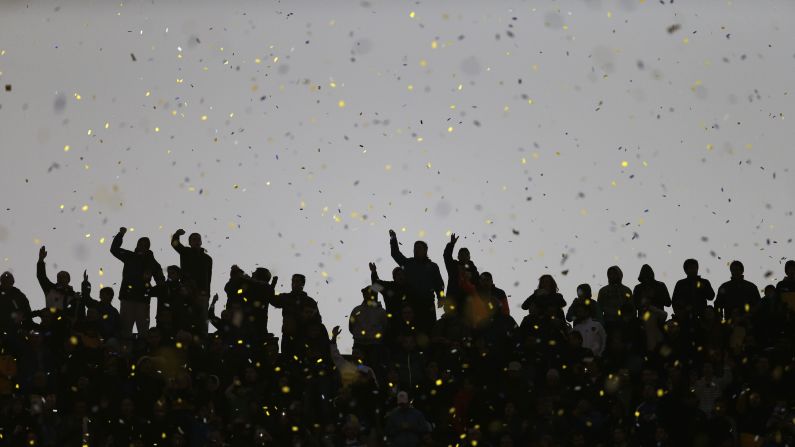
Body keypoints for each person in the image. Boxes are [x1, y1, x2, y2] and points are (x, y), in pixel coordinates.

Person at [110, 227, 165, 337]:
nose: (142, 246)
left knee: (143, 331)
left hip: (143, 299)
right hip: (128, 297)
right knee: (125, 330)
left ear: (148, 247)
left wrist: (151, 290)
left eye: (145, 245)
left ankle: (144, 351)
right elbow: (114, 249)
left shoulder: (152, 263)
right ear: (137, 245)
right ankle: (125, 352)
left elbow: (161, 282)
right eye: (141, 243)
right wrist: (120, 234)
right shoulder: (130, 256)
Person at [389, 229, 444, 334]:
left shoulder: (432, 266)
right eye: (414, 248)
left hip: (428, 303)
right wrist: (393, 238)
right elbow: (395, 254)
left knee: (430, 331)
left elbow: (439, 284)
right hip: (412, 304)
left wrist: (440, 297)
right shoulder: (408, 263)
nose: (416, 250)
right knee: (412, 332)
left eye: (419, 248)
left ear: (425, 250)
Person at [171, 229, 213, 335]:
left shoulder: (208, 259)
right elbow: (175, 244)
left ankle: (203, 341)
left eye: (198, 239)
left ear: (201, 242)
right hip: (188, 291)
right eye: (193, 239)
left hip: (203, 294)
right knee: (186, 317)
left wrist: (207, 293)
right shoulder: (186, 252)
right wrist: (177, 235)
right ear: (189, 242)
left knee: (202, 320)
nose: (196, 240)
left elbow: (209, 277)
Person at [270, 274, 320, 359]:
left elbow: (318, 321)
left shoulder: (310, 302)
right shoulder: (286, 297)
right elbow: (272, 300)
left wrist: (307, 317)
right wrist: (272, 285)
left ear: (302, 284)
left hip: (303, 338)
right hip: (287, 338)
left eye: (297, 281)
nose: (294, 283)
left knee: (301, 365)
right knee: (287, 362)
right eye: (293, 281)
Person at [442, 233, 478, 313]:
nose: (463, 256)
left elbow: (478, 285)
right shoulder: (453, 267)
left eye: (466, 254)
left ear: (469, 257)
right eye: (461, 255)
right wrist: (451, 244)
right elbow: (446, 256)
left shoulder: (473, 270)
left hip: (468, 305)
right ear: (458, 257)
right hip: (452, 302)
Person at [79, 270, 120, 340]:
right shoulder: (95, 304)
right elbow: (86, 297)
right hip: (90, 334)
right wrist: (85, 282)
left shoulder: (114, 311)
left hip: (106, 337)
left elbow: (117, 327)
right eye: (101, 294)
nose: (102, 296)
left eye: (105, 294)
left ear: (110, 296)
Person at [36, 246, 78, 313]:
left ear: (68, 279)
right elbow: (41, 276)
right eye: (59, 277)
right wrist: (41, 260)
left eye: (64, 276)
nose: (61, 278)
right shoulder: (50, 288)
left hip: (64, 321)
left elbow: (77, 312)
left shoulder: (73, 295)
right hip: (50, 319)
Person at [596, 266, 633, 330]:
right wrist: (600, 323)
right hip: (608, 322)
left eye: (615, 273)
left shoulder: (626, 290)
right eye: (610, 274)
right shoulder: (603, 291)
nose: (612, 276)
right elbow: (599, 309)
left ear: (619, 275)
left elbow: (632, 307)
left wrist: (630, 320)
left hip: (623, 323)